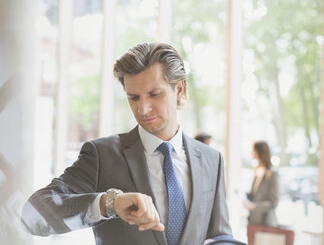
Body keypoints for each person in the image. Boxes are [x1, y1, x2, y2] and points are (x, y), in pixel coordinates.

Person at [21, 42, 233, 245]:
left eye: (154, 94)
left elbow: (220, 235)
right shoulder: (101, 155)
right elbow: (32, 216)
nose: (143, 109)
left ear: (178, 90)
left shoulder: (211, 160)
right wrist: (108, 203)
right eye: (133, 98)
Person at [244, 141, 278, 227]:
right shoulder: (256, 171)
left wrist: (255, 206)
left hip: (265, 223)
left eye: (253, 150)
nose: (252, 152)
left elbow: (273, 202)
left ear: (259, 152)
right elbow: (254, 195)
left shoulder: (271, 174)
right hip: (253, 221)